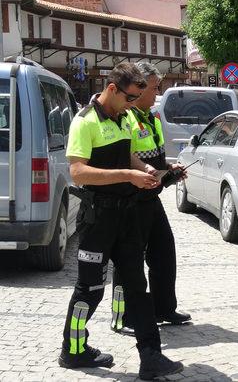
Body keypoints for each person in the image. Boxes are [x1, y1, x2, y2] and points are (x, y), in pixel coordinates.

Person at [58, 63, 183, 380]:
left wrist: (144, 169)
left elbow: (129, 155)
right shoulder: (85, 122)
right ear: (112, 89)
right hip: (98, 219)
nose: (133, 104)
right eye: (130, 97)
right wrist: (128, 175)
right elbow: (78, 172)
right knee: (90, 290)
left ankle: (151, 357)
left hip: (127, 215)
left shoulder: (125, 116)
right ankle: (73, 350)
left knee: (136, 287)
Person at [111, 62, 191, 338]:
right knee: (129, 261)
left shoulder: (152, 118)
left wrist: (171, 171)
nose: (158, 92)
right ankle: (123, 316)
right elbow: (126, 159)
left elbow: (154, 159)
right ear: (140, 87)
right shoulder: (126, 117)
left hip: (151, 198)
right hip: (131, 200)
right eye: (155, 87)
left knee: (164, 253)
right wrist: (152, 172)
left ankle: (163, 308)